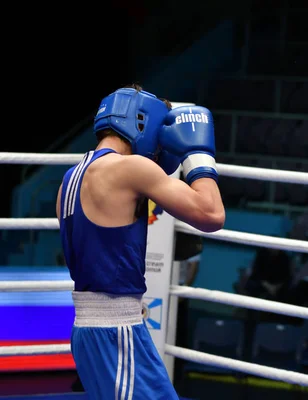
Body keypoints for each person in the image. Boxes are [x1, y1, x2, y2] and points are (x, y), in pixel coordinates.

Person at [56, 84, 225, 399]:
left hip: (87, 330)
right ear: (143, 122)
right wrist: (198, 155)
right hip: (116, 332)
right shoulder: (130, 168)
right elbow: (212, 214)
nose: (160, 149)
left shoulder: (73, 176)